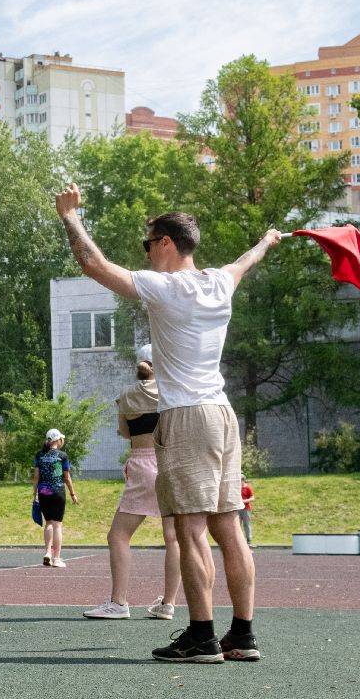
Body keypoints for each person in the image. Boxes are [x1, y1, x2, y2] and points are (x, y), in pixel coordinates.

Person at [56, 183, 281, 663]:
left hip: (186, 418)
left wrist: (70, 217)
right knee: (229, 527)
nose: (146, 253)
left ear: (165, 244)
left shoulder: (165, 287)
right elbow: (246, 261)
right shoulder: (220, 281)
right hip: (222, 415)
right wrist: (266, 242)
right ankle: (242, 635)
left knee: (190, 529)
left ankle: (202, 636)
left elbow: (93, 265)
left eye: (148, 243)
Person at [83, 354, 181, 619]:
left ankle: (118, 602)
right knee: (173, 538)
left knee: (118, 536)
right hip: (171, 464)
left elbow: (125, 433)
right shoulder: (173, 391)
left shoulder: (127, 394)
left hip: (143, 464)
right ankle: (168, 604)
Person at [34, 429, 79, 568]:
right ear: (58, 440)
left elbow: (36, 476)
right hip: (57, 492)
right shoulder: (62, 456)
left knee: (48, 523)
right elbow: (66, 477)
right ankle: (57, 558)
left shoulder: (39, 455)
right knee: (57, 525)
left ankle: (48, 552)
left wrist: (34, 494)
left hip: (43, 492)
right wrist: (73, 493)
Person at [239, 474, 254, 544]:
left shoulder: (247, 488)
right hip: (238, 509)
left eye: (240, 480)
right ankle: (238, 540)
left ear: (243, 480)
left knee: (247, 524)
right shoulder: (237, 488)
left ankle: (248, 539)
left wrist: (244, 501)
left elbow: (252, 498)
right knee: (237, 525)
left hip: (246, 509)